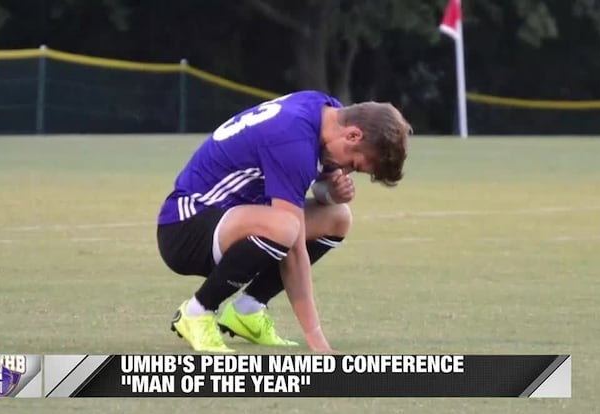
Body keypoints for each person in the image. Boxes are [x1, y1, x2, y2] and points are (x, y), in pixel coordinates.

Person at [157, 90, 411, 353]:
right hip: (185, 227)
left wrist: (330, 192)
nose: (345, 171)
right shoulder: (292, 140)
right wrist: (316, 339)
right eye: (354, 165)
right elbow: (294, 247)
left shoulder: (325, 110)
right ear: (353, 135)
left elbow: (310, 183)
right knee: (286, 228)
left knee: (337, 217)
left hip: (234, 217)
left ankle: (248, 311)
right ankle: (197, 312)